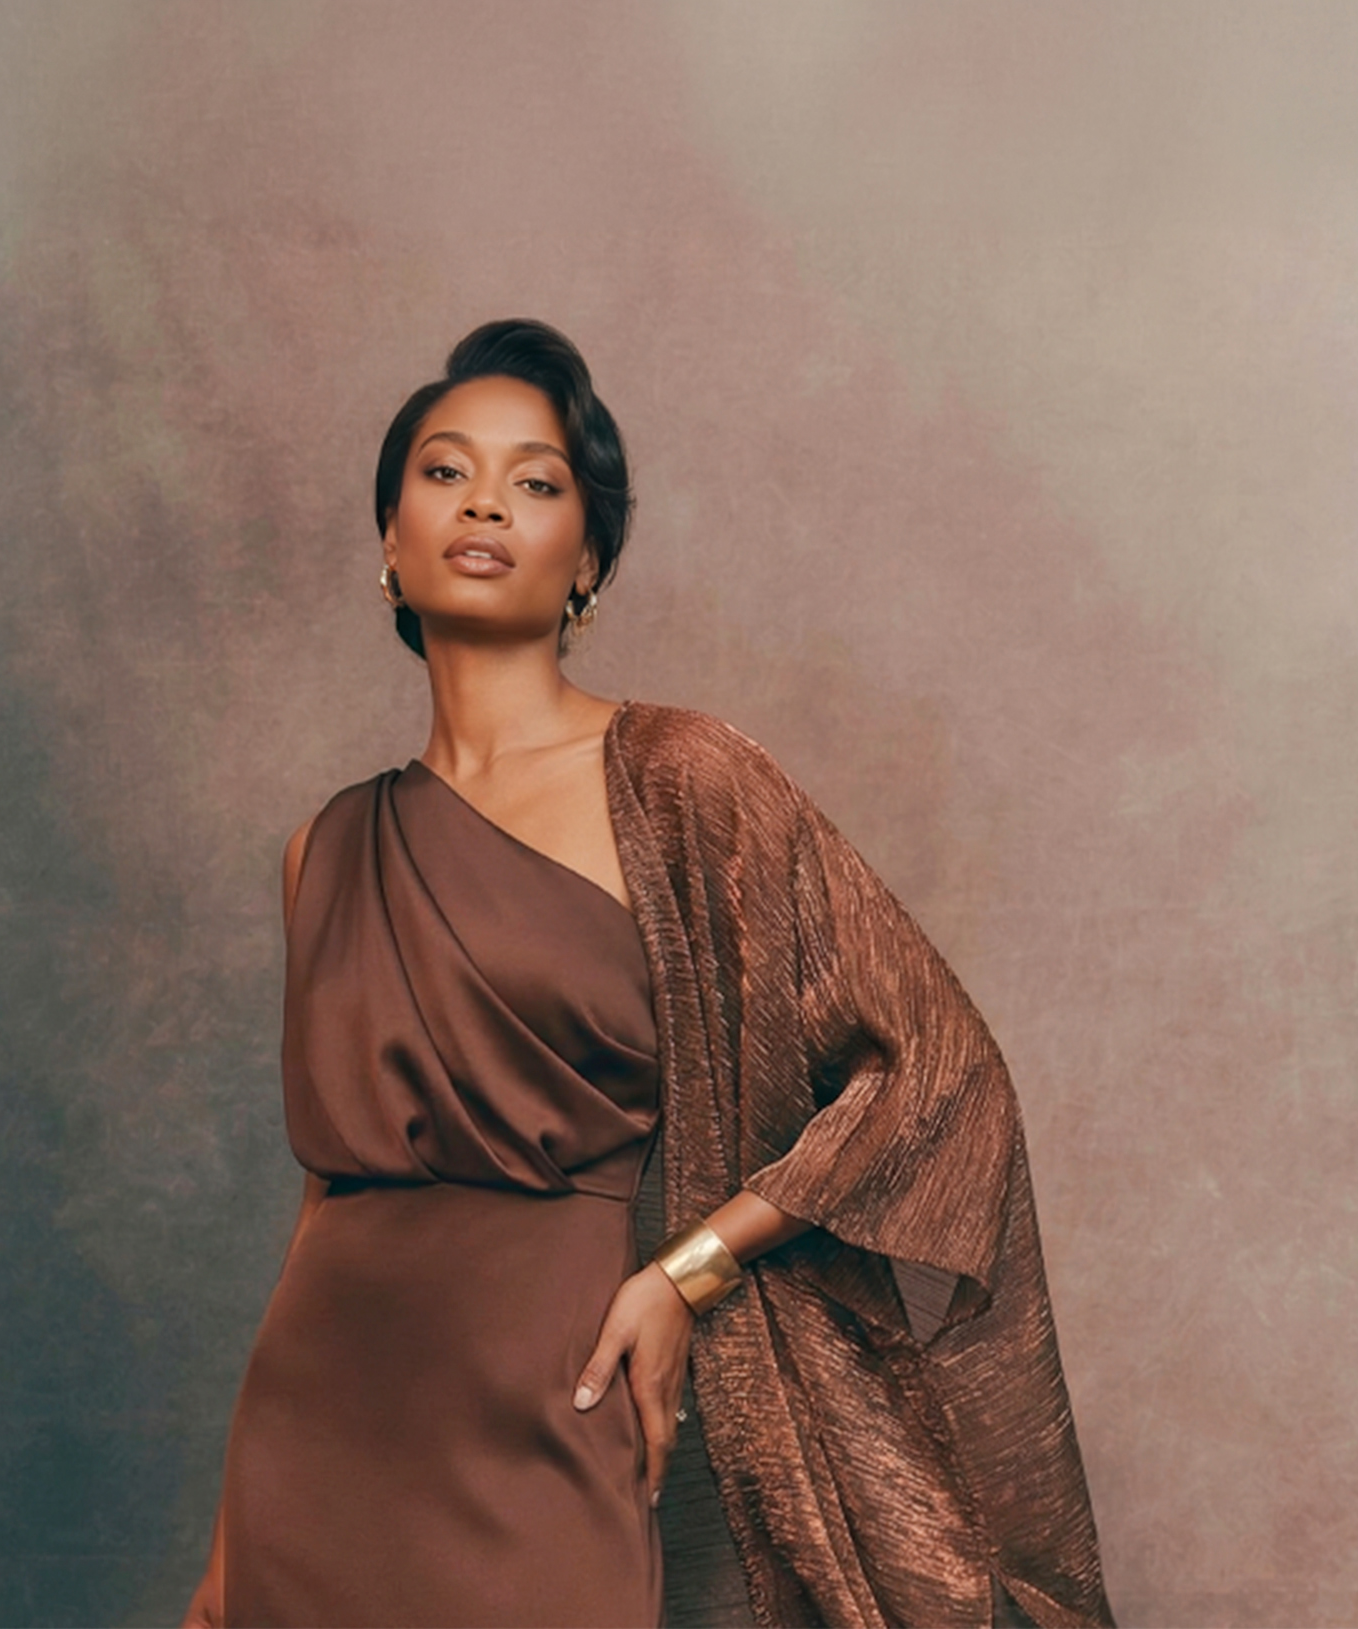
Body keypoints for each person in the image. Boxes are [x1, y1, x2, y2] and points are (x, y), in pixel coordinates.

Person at [187, 320, 1113, 1628]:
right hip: (317, 1429)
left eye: (538, 480)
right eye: (446, 472)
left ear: (588, 562)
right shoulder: (322, 849)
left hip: (553, 1391)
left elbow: (935, 1067)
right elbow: (330, 1192)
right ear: (387, 542)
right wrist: (230, 1558)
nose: (488, 501)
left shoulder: (682, 781)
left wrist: (687, 1271)